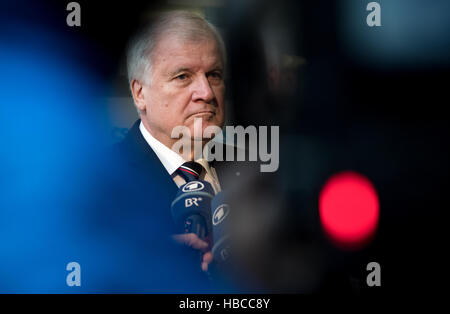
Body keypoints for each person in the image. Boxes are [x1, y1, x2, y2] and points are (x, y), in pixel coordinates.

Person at [82, 10, 240, 292]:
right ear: (139, 93)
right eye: (183, 76)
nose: (206, 92)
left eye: (214, 74)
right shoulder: (98, 182)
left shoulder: (255, 170)